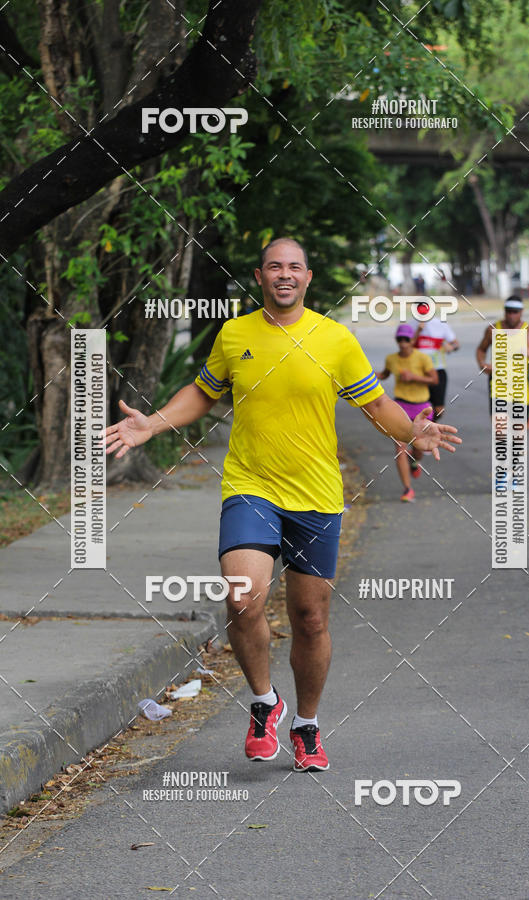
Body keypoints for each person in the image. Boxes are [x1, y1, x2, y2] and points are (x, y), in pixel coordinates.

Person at [105, 238, 461, 772]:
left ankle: (307, 724)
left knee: (310, 617)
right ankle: (265, 702)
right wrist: (150, 424)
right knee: (243, 598)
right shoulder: (236, 332)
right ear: (260, 275)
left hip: (316, 494)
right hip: (251, 485)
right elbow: (204, 392)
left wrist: (413, 432)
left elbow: (375, 402)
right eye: (275, 266)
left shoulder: (335, 339)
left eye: (295, 266)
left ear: (309, 277)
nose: (285, 274)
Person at [376, 323, 439, 502]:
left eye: (406, 339)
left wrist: (414, 377)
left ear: (412, 340)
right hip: (401, 406)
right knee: (400, 448)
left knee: (419, 447)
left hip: (422, 408)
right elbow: (385, 374)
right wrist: (371, 376)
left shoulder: (422, 358)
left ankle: (415, 461)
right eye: (399, 339)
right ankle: (407, 489)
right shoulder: (391, 359)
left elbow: (434, 380)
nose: (403, 343)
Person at [475, 296, 529, 429]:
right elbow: (481, 349)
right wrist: (482, 363)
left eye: (515, 312)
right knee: (500, 433)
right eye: (509, 311)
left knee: (517, 437)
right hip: (498, 386)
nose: (512, 315)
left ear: (522, 312)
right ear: (504, 311)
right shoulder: (492, 330)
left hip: (520, 387)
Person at [412, 301, 460, 420]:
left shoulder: (440, 324)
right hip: (418, 371)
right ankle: (423, 432)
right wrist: (417, 331)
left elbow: (456, 344)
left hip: (437, 370)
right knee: (421, 406)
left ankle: (430, 426)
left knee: (439, 410)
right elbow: (405, 346)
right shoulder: (410, 325)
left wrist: (451, 347)